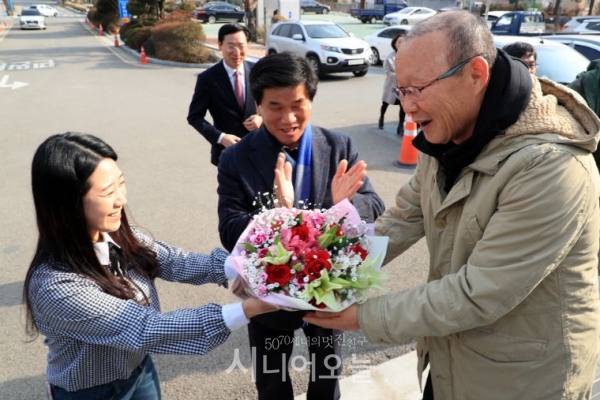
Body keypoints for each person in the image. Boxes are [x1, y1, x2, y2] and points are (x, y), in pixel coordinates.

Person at [304, 10, 600, 400]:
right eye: (401, 91)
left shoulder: (551, 166)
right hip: (451, 358)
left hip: (525, 378)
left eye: (418, 88)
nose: (407, 106)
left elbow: (479, 292)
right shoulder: (448, 135)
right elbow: (402, 220)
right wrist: (322, 272)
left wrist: (362, 316)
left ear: (476, 74)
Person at [23, 132, 276, 400]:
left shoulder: (118, 234)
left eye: (121, 184)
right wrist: (251, 308)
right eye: (108, 192)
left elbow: (176, 261)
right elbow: (146, 328)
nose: (121, 200)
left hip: (139, 369)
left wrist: (250, 265)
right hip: (90, 391)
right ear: (67, 203)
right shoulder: (55, 286)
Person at [217, 52, 385, 400]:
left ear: (310, 99)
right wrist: (279, 214)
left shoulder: (339, 145)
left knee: (327, 380)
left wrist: (345, 205)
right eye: (275, 106)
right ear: (258, 106)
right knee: (271, 380)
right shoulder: (237, 157)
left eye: (298, 104)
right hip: (269, 297)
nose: (288, 118)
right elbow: (230, 227)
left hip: (327, 290)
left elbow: (374, 204)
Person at [187, 23, 262, 166]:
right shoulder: (208, 78)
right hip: (227, 153)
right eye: (231, 46)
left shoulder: (258, 72)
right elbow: (194, 117)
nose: (236, 51)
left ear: (248, 45)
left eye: (241, 45)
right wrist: (221, 137)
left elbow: (273, 104)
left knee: (264, 189)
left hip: (259, 148)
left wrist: (261, 118)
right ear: (220, 45)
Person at [379, 33, 406, 135]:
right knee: (385, 104)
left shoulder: (408, 55)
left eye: (403, 41)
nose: (401, 43)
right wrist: (398, 76)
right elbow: (387, 72)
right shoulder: (389, 57)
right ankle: (381, 118)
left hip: (403, 86)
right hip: (391, 85)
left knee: (402, 106)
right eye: (399, 41)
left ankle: (400, 126)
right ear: (395, 44)